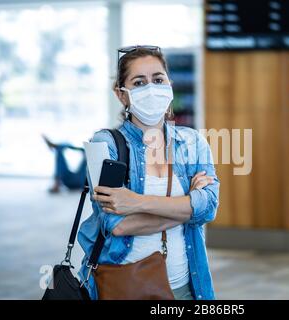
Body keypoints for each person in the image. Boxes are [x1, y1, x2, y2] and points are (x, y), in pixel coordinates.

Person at [77, 45, 220, 300]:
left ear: (169, 84)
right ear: (121, 94)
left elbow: (209, 207)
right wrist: (188, 207)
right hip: (124, 287)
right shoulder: (104, 145)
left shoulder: (192, 142)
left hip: (187, 287)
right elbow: (118, 226)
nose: (151, 88)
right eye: (139, 82)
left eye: (158, 79)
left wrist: (136, 202)